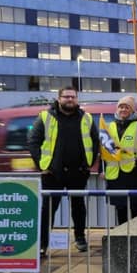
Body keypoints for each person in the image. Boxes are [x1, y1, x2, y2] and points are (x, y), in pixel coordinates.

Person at [28, 86, 99, 255]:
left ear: (77, 99)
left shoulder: (86, 118)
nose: (70, 99)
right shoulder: (45, 117)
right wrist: (42, 166)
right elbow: (33, 142)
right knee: (48, 209)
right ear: (59, 98)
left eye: (73, 97)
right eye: (66, 96)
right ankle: (42, 244)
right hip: (53, 173)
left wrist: (88, 164)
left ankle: (80, 238)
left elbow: (95, 142)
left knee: (79, 207)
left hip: (78, 171)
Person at [104, 96, 137, 225]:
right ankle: (122, 236)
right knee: (120, 208)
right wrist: (102, 169)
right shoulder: (109, 126)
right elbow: (103, 149)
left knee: (136, 208)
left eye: (127, 107)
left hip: (134, 173)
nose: (123, 109)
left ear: (133, 110)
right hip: (115, 174)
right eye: (121, 107)